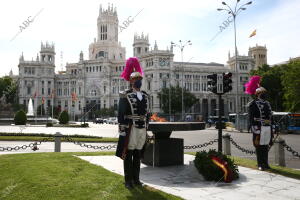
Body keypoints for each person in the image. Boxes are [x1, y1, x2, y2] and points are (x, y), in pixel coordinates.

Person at [115, 57, 150, 189]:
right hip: (131, 127)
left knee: (138, 154)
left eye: (140, 79)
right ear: (131, 81)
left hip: (142, 128)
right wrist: (122, 129)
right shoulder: (125, 95)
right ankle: (128, 180)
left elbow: (147, 113)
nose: (139, 82)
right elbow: (121, 113)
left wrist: (147, 126)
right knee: (128, 154)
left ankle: (136, 179)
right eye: (136, 80)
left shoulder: (145, 95)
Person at [246, 80, 273, 171]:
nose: (264, 94)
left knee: (265, 145)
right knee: (259, 146)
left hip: (267, 127)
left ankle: (265, 163)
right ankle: (260, 164)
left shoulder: (268, 104)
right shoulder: (253, 104)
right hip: (258, 127)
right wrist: (253, 126)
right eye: (262, 93)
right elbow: (251, 116)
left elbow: (270, 116)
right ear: (258, 94)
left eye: (264, 93)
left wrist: (273, 126)